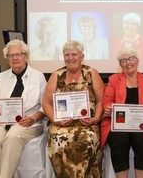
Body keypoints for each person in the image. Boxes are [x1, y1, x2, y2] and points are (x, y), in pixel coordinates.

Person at [42, 40, 104, 178]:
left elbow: (101, 100)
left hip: (87, 124)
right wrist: (55, 120)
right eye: (67, 55)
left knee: (86, 140)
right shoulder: (56, 75)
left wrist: (96, 118)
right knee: (58, 138)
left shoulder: (91, 73)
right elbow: (46, 103)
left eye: (74, 54)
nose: (70, 58)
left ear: (82, 56)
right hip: (61, 124)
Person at [101, 47, 143, 178]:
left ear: (137, 61)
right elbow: (106, 101)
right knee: (119, 140)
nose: (128, 63)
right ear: (120, 65)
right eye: (123, 60)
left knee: (142, 140)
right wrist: (109, 108)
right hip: (119, 124)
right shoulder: (113, 80)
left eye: (131, 59)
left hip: (141, 124)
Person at [0, 39, 47, 178]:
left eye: (19, 54)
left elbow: (45, 105)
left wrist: (33, 118)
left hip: (28, 122)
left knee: (12, 137)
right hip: (2, 122)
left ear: (26, 56)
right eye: (11, 55)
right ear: (7, 58)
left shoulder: (38, 76)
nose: (15, 58)